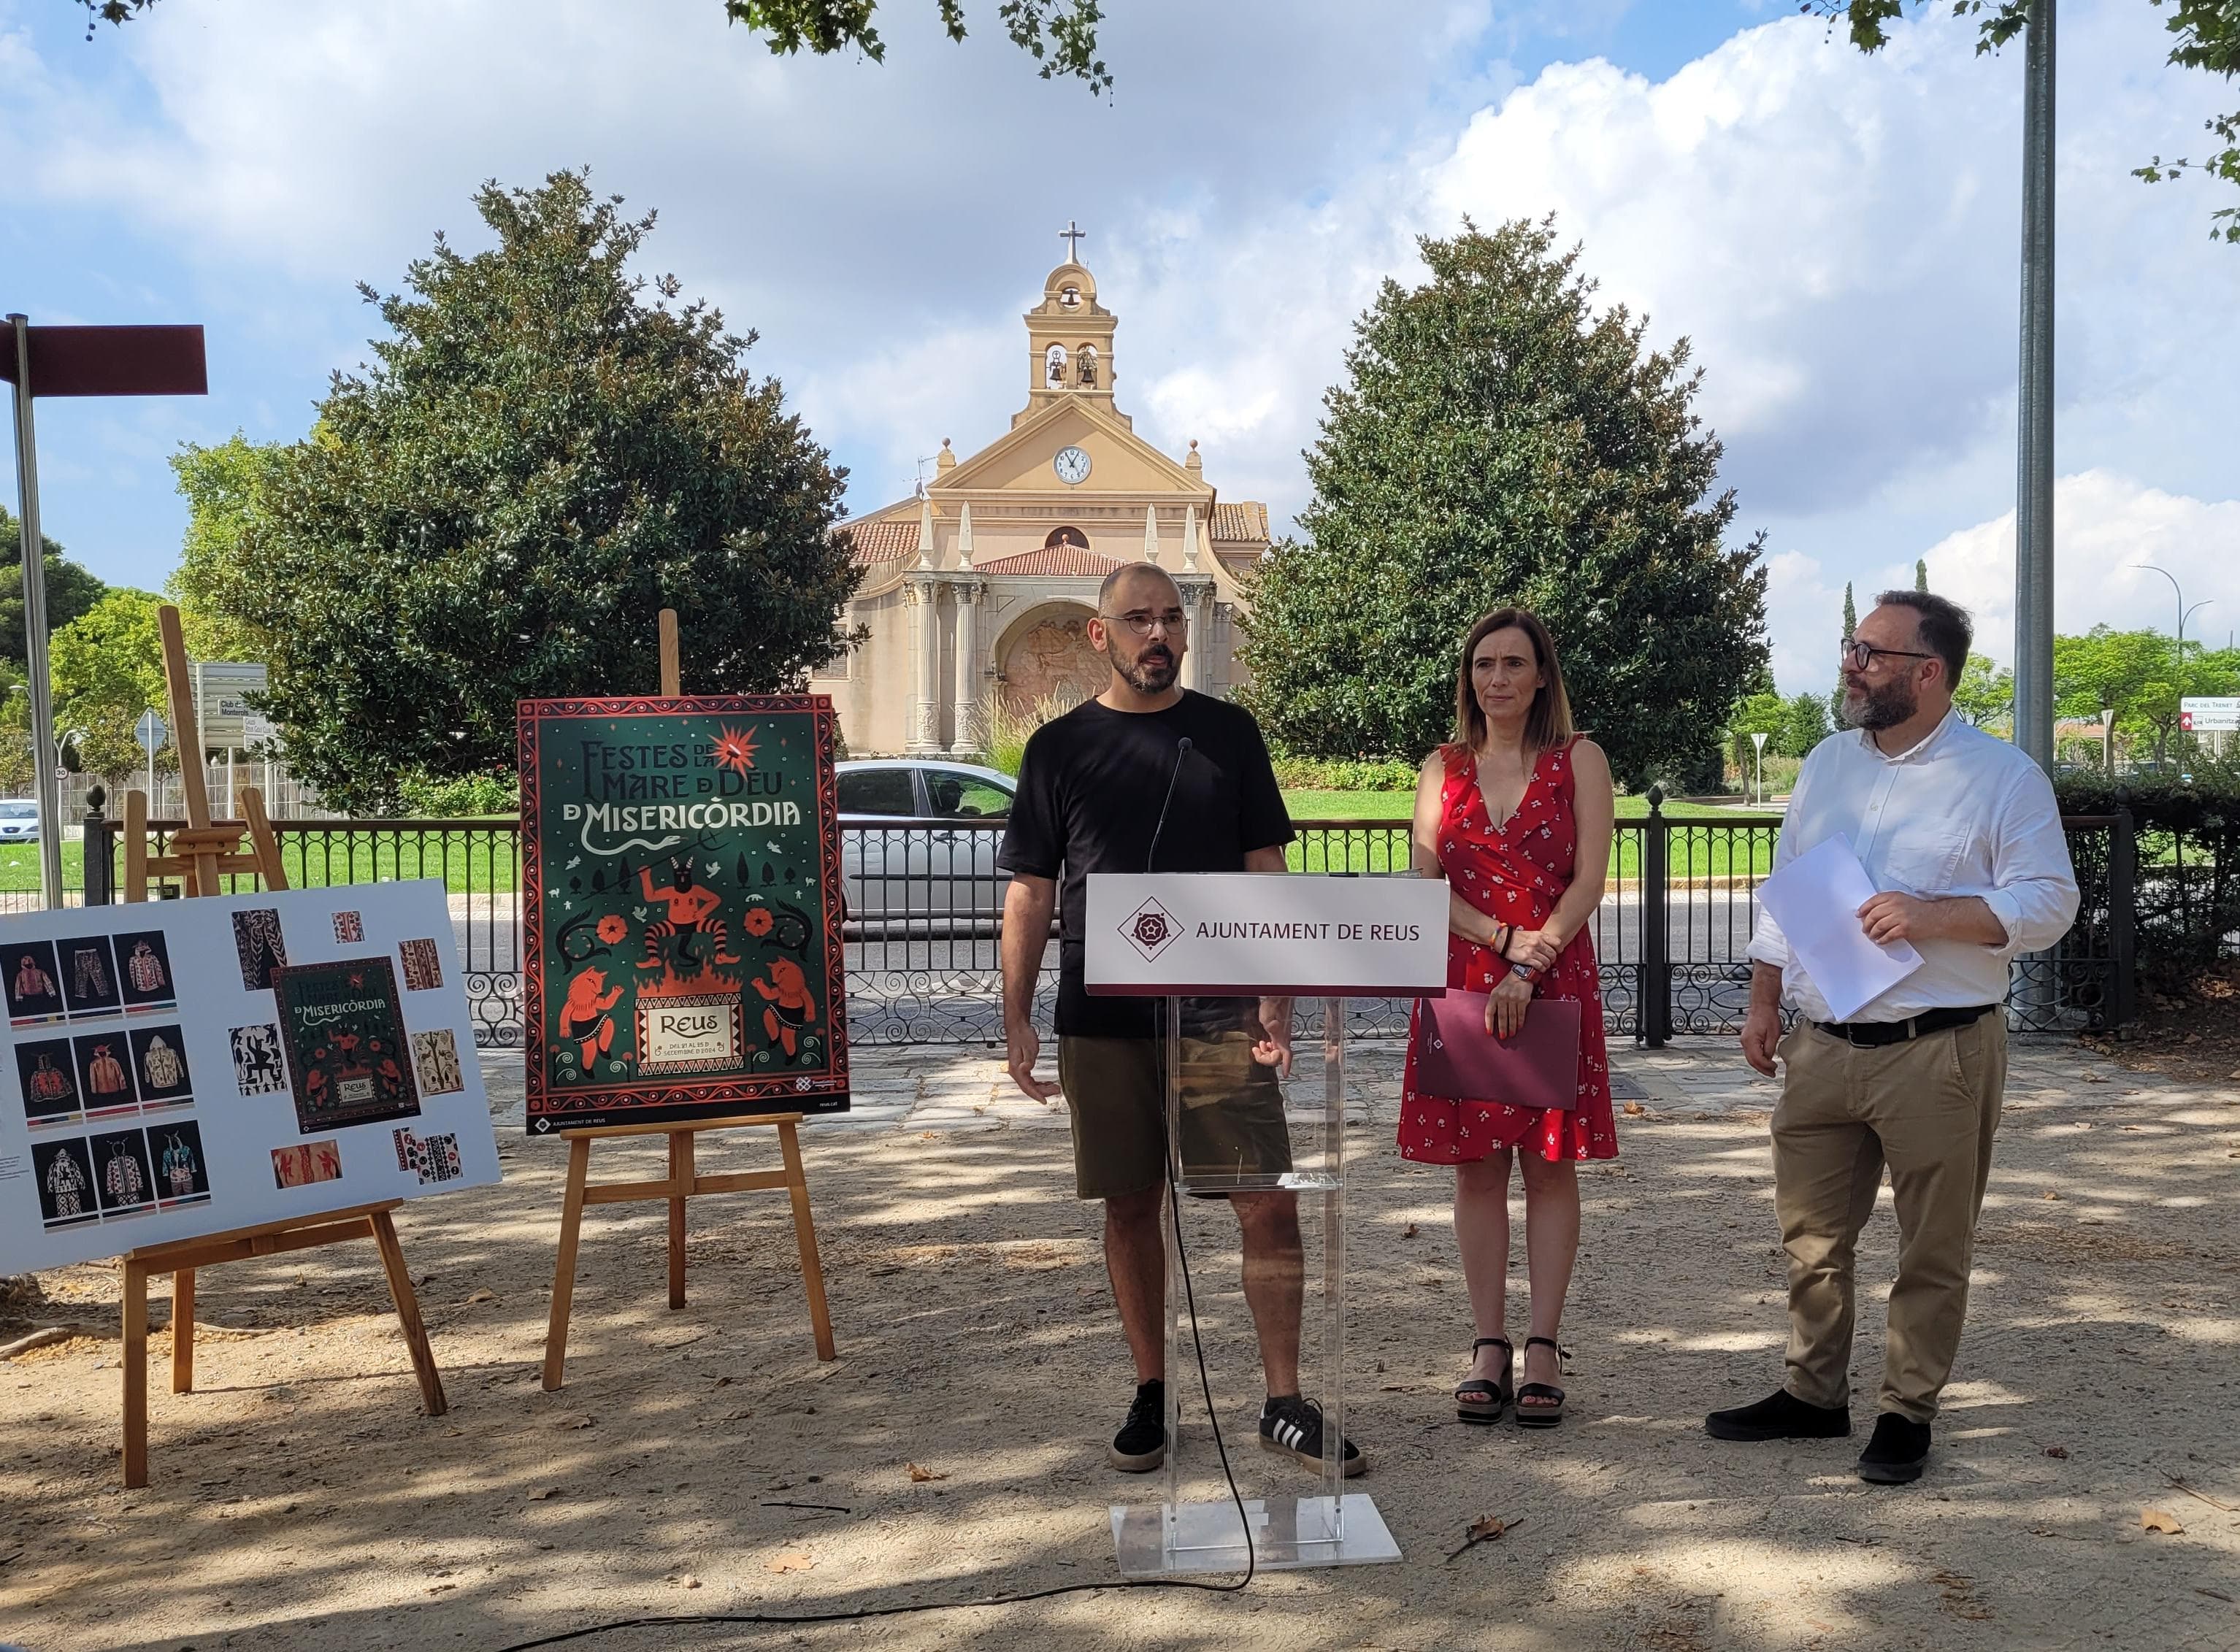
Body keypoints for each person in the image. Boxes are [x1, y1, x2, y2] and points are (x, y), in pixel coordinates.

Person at [998, 561, 1363, 1478]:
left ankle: (1282, 1400)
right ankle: (1150, 1393)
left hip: (1217, 1015)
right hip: (1101, 1016)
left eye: (1168, 619)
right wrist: (1016, 1018)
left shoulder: (1228, 735)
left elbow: (1263, 868)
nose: (1155, 635)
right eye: (1135, 620)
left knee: (1263, 1207)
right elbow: (1029, 895)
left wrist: (1274, 993)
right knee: (1129, 1203)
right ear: (1100, 634)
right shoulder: (1056, 750)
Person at [1707, 590, 2078, 1484]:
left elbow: (2050, 900)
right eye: (1850, 647)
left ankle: (1905, 1412)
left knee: (1930, 1245)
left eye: (1870, 653)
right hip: (1822, 1042)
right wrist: (1763, 999)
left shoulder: (2002, 777)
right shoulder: (1828, 763)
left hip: (1937, 1048)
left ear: (1928, 672)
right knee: (1810, 1237)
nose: (1850, 664)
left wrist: (1934, 914)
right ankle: (1811, 1394)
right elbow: (1786, 887)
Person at [1397, 608, 1618, 1429]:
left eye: (1513, 664)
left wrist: (1529, 961)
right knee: (1475, 1165)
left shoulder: (1578, 759)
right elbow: (1424, 880)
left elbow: (1590, 878)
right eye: (1483, 664)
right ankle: (1486, 1343)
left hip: (1554, 973)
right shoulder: (1440, 767)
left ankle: (1543, 1346)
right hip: (1462, 971)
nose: (1496, 678)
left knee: (1548, 1165)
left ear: (1540, 677)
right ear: (1468, 678)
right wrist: (1497, 941)